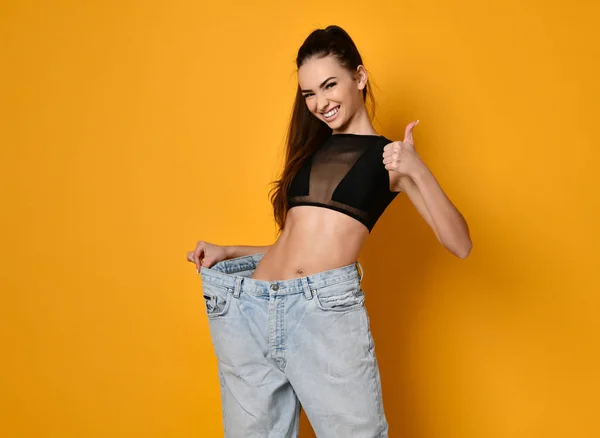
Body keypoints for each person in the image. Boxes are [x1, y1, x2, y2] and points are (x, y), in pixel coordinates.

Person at [186, 25, 472, 438]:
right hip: (248, 307)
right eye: (309, 94)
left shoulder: (389, 159)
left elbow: (459, 243)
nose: (320, 103)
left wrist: (417, 168)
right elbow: (298, 245)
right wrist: (229, 251)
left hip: (320, 314)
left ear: (359, 77)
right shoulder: (309, 152)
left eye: (329, 85)